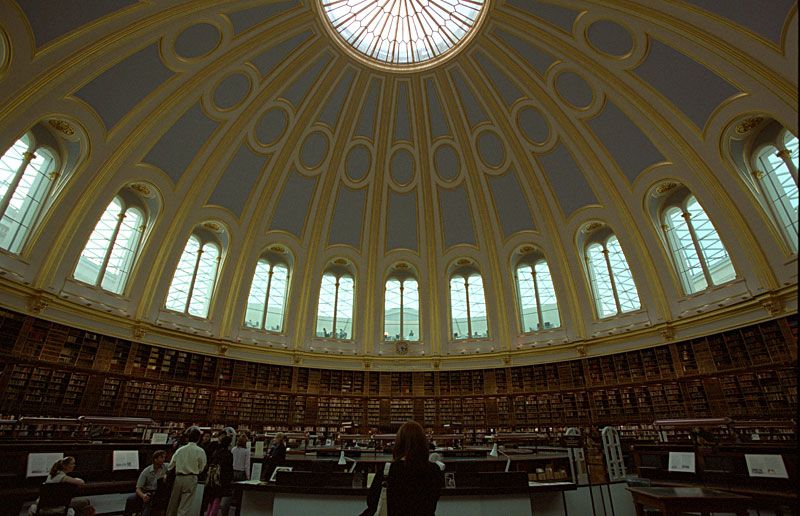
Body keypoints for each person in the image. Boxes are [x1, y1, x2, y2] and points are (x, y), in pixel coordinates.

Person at [359, 421, 444, 516]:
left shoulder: (387, 470)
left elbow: (372, 501)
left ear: (399, 443)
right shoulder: (434, 470)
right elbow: (433, 501)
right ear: (423, 443)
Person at [166, 427, 207, 516]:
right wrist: (196, 470)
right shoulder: (200, 451)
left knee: (173, 503)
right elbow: (202, 466)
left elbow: (171, 465)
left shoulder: (180, 449)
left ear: (188, 437)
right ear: (199, 439)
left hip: (178, 478)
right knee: (185, 505)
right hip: (191, 477)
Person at [123, 450, 167, 516]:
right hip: (146, 492)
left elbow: (173, 466)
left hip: (158, 493)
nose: (163, 459)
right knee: (133, 499)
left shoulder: (164, 467)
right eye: (161, 457)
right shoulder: (146, 471)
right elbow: (138, 489)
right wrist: (143, 496)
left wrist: (167, 475)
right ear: (155, 459)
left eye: (164, 457)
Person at [204, 435, 233, 516]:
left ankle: (208, 513)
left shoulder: (216, 452)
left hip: (212, 478)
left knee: (211, 498)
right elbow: (229, 468)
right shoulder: (228, 454)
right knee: (217, 499)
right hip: (221, 479)